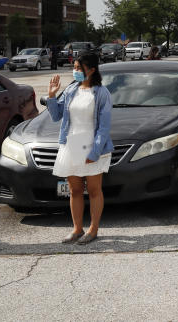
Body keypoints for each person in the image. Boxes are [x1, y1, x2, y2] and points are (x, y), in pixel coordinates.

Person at [46, 52, 113, 245]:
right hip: (71, 144)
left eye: (78, 68)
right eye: (74, 67)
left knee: (93, 189)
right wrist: (51, 96)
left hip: (93, 146)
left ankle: (93, 229)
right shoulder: (71, 89)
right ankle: (77, 229)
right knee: (75, 190)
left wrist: (95, 152)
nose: (74, 71)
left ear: (91, 70)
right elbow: (57, 115)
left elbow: (104, 127)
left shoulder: (101, 93)